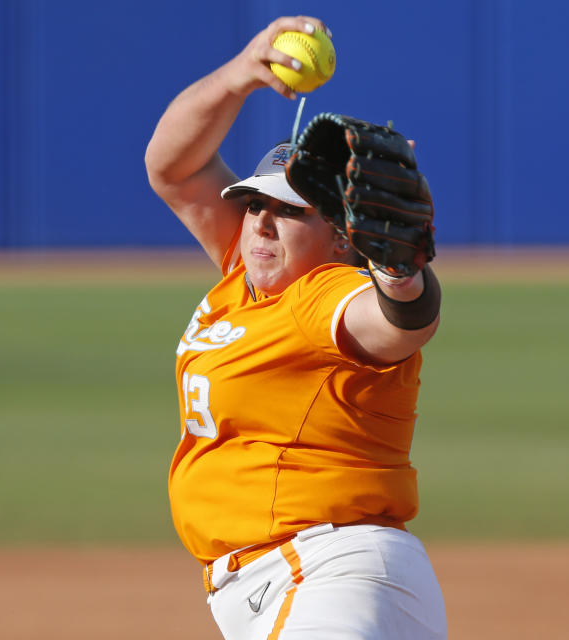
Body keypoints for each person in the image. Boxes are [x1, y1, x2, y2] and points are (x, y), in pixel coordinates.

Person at [144, 15, 446, 640]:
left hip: (329, 577)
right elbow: (172, 168)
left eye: (289, 211)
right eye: (255, 202)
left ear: (342, 237)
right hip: (296, 584)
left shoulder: (326, 294)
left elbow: (400, 323)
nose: (261, 223)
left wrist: (399, 272)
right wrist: (240, 73)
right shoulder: (244, 273)